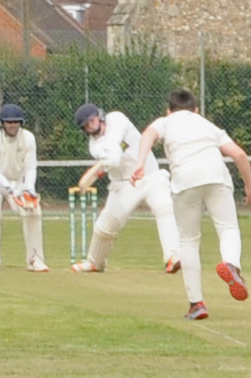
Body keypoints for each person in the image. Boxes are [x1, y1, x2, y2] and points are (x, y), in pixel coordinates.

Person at [143, 89, 251, 320]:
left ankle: (197, 304)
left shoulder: (166, 121)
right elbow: (240, 155)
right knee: (228, 229)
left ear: (169, 110)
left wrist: (139, 163)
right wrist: (250, 186)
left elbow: (148, 135)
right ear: (196, 110)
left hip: (185, 181)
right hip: (216, 176)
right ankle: (232, 265)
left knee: (188, 241)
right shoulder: (206, 124)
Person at [69, 101, 179, 274]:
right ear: (84, 129)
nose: (92, 125)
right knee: (104, 228)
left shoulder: (117, 119)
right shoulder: (94, 146)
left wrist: (98, 168)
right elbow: (113, 160)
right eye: (87, 125)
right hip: (123, 186)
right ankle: (94, 263)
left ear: (100, 116)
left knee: (164, 206)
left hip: (149, 175)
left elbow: (115, 154)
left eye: (93, 120)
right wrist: (102, 166)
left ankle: (173, 256)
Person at [0, 102, 48, 273]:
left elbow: (30, 168)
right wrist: (10, 189)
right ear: (3, 123)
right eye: (9, 122)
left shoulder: (28, 138)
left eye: (16, 122)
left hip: (16, 180)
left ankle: (35, 259)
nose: (12, 125)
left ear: (21, 123)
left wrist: (28, 188)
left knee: (33, 209)